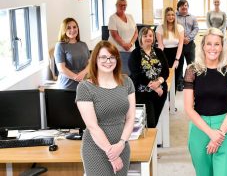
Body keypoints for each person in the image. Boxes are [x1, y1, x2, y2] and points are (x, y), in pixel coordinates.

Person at [183, 28, 227, 176]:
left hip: (224, 128)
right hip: (199, 128)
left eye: (217, 44)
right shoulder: (192, 70)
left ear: (222, 47)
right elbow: (189, 108)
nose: (212, 48)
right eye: (209, 44)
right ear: (203, 46)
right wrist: (210, 133)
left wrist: (219, 134)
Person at [76, 41, 136, 176]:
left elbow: (131, 117)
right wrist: (112, 154)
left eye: (112, 57)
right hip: (96, 149)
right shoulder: (85, 88)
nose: (108, 61)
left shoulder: (127, 82)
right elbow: (92, 126)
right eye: (103, 57)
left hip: (122, 147)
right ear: (95, 60)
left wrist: (121, 144)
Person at [128, 27, 169, 128]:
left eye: (150, 36)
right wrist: (154, 86)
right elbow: (136, 75)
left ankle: (153, 141)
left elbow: (165, 71)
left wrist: (159, 82)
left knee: (155, 121)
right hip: (143, 92)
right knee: (149, 122)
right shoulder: (135, 54)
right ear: (140, 37)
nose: (148, 38)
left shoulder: (159, 52)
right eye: (145, 36)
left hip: (160, 92)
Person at [54, 17, 90, 89]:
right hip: (67, 85)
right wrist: (76, 77)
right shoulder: (60, 46)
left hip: (84, 84)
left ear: (78, 28)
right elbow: (61, 68)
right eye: (68, 28)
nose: (72, 30)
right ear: (64, 30)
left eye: (74, 27)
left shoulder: (83, 44)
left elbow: (90, 63)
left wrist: (83, 74)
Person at [156, 7, 184, 93]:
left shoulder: (179, 28)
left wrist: (177, 60)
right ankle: (165, 102)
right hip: (165, 54)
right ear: (165, 16)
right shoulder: (160, 28)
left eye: (172, 15)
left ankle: (172, 105)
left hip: (177, 54)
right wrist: (159, 59)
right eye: (168, 15)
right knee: (165, 77)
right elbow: (160, 45)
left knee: (175, 79)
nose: (170, 17)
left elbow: (180, 44)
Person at [108, 0, 138, 71]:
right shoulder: (112, 18)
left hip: (131, 49)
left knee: (131, 71)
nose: (123, 7)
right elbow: (114, 35)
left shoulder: (130, 16)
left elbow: (136, 32)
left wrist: (130, 44)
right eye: (121, 5)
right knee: (119, 71)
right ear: (116, 5)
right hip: (118, 51)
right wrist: (124, 45)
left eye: (125, 5)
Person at [176, 0, 199, 91]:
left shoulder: (193, 17)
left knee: (191, 64)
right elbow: (173, 29)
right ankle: (180, 84)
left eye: (186, 5)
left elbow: (196, 28)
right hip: (178, 45)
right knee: (180, 65)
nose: (184, 7)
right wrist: (181, 38)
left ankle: (190, 82)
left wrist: (188, 38)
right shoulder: (175, 17)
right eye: (182, 5)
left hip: (190, 44)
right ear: (178, 8)